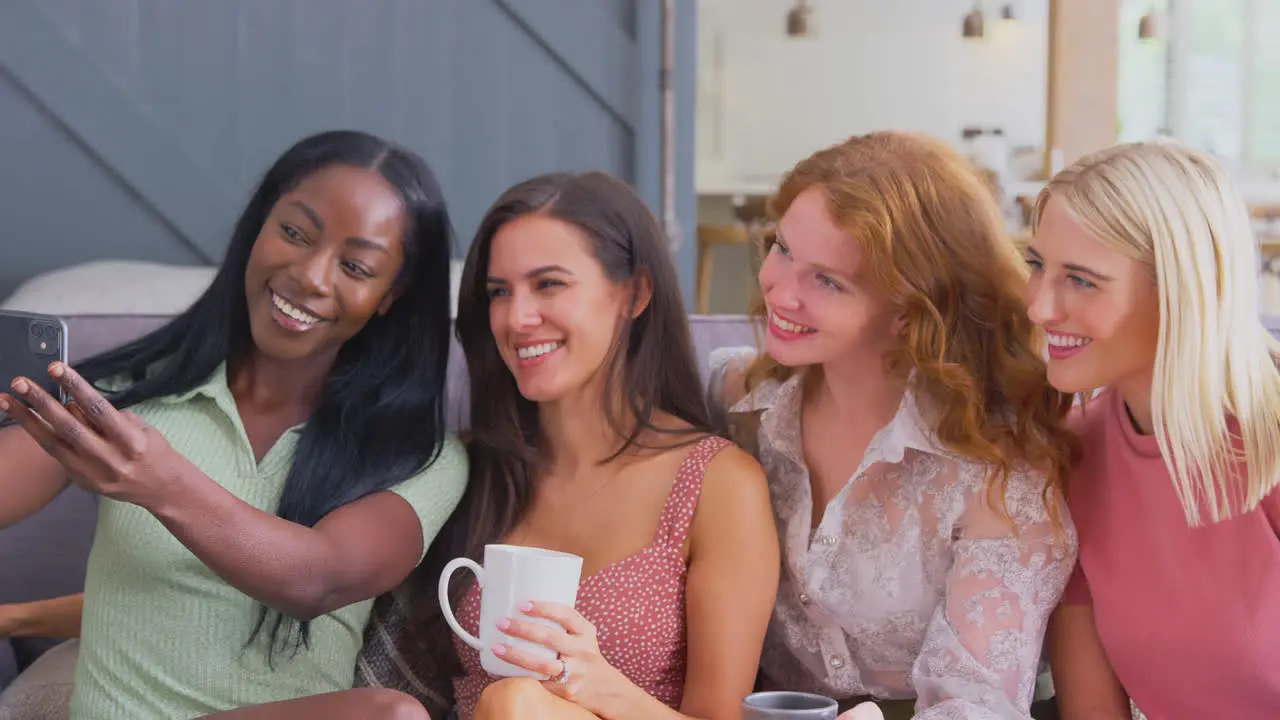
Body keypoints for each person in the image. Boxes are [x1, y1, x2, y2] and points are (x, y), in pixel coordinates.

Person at [0, 129, 469, 719]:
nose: (312, 276)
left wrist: (161, 482)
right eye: (294, 233)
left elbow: (317, 581)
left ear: (389, 293)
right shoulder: (126, 400)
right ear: (258, 228)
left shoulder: (420, 458)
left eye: (354, 265)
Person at [359, 170, 781, 720]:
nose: (517, 318)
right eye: (498, 292)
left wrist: (595, 685)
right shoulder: (470, 469)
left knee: (517, 703)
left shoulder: (720, 485)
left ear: (636, 293)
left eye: (549, 284)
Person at [706, 131, 1080, 720]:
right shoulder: (736, 401)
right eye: (782, 248)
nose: (779, 291)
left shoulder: (1001, 471)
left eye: (827, 281)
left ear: (912, 312)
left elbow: (975, 707)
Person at [1027, 140, 1280, 719]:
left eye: (1082, 280)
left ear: (1182, 289)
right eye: (1036, 265)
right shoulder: (1073, 453)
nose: (1040, 307)